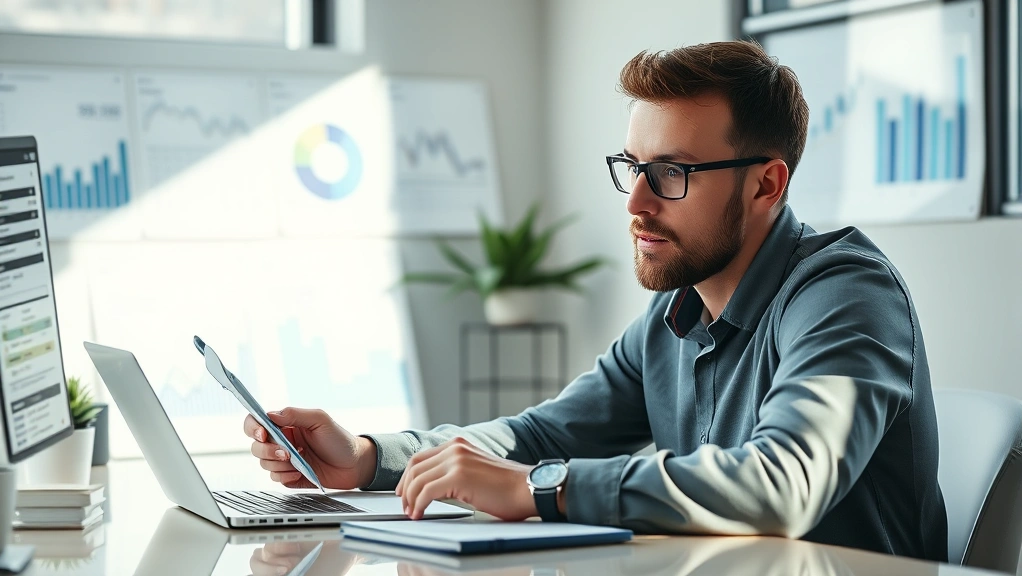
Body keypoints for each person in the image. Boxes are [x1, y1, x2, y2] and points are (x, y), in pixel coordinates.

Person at [245, 40, 947, 561]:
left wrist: (542, 488)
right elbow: (538, 437)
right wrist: (370, 459)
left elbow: (780, 484)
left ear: (766, 185)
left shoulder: (845, 292)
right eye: (633, 168)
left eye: (671, 172)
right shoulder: (674, 313)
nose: (637, 203)